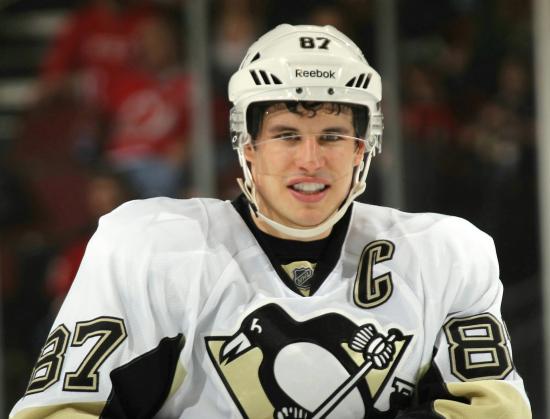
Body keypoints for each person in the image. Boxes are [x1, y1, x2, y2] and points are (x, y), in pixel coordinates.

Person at [10, 24, 531, 418]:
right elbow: (59, 413)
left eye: (332, 136)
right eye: (286, 135)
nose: (311, 159)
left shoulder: (444, 255)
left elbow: (497, 412)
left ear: (362, 150)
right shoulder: (150, 250)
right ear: (248, 148)